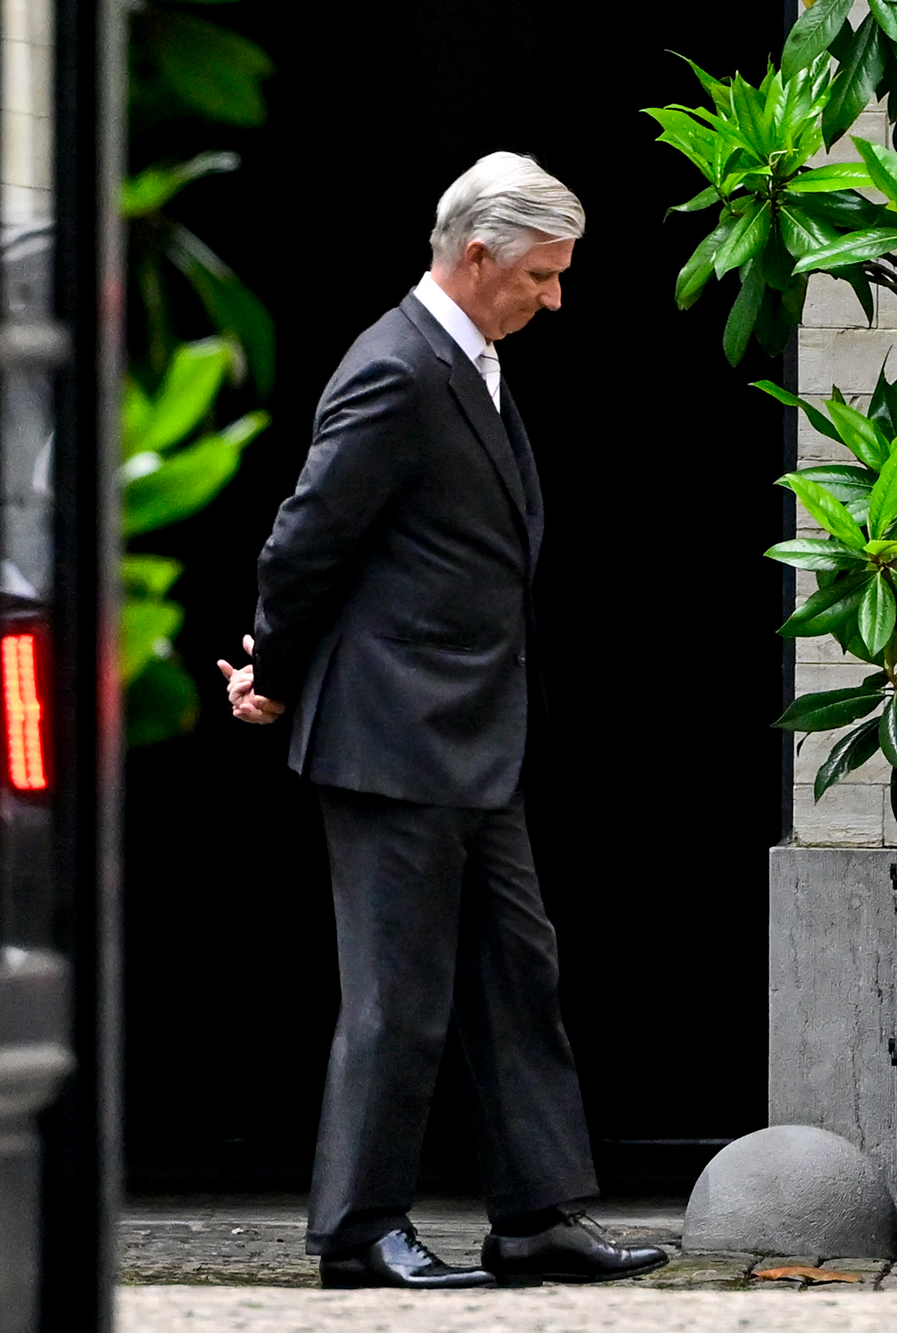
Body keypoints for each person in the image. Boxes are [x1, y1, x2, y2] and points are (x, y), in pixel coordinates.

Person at [218, 153, 665, 1291]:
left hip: (476, 737)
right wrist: (270, 660)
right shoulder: (396, 369)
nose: (553, 298)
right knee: (397, 999)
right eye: (540, 276)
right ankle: (360, 1230)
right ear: (475, 257)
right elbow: (305, 537)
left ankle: (534, 1218)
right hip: (392, 738)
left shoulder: (472, 360)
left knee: (520, 972)